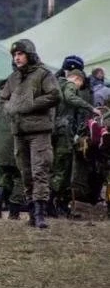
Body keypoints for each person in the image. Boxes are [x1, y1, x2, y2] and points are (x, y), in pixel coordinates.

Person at [0, 39, 60, 229]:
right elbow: (3, 99)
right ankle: (33, 212)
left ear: (29, 54)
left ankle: (41, 213)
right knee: (25, 173)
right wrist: (10, 108)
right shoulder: (13, 78)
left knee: (39, 171)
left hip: (39, 131)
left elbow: (55, 95)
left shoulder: (44, 74)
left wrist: (30, 105)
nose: (17, 58)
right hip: (19, 131)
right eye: (14, 55)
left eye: (20, 54)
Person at [51, 69, 100, 216]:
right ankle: (51, 204)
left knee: (56, 168)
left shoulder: (56, 84)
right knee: (63, 169)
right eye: (80, 84)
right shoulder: (70, 85)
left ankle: (56, 204)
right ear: (78, 79)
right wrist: (91, 108)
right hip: (64, 131)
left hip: (55, 130)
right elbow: (70, 97)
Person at [0, 79, 24, 219]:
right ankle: (14, 212)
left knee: (6, 175)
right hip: (16, 142)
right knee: (21, 176)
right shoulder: (23, 93)